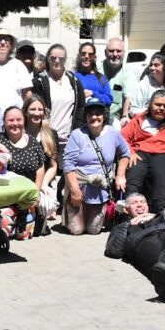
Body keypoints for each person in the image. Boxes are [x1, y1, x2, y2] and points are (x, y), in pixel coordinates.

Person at [104, 193, 165, 304]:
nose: (139, 205)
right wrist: (128, 225)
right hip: (142, 238)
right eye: (134, 203)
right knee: (154, 248)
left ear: (147, 206)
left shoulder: (162, 217)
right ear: (126, 209)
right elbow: (113, 251)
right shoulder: (122, 225)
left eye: (142, 202)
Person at [62, 98, 130, 236]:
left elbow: (125, 153)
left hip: (101, 188)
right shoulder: (77, 134)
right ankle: (73, 208)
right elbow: (68, 163)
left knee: (94, 231)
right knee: (77, 230)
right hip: (80, 185)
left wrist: (120, 175)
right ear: (85, 116)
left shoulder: (113, 133)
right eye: (90, 114)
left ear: (104, 116)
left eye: (98, 113)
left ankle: (94, 211)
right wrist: (74, 189)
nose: (94, 117)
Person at [0, 106, 52, 225]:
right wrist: (0, 147)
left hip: (27, 196)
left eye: (18, 120)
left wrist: (35, 192)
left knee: (23, 234)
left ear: (24, 121)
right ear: (4, 122)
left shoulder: (32, 142)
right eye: (11, 120)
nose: (15, 123)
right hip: (6, 197)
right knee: (5, 226)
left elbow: (40, 167)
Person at [31, 44, 84, 148]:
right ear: (47, 59)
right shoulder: (39, 81)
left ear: (65, 60)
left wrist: (76, 132)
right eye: (53, 58)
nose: (57, 61)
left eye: (61, 58)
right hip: (46, 139)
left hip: (69, 140)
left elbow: (81, 107)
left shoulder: (73, 80)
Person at [22, 95, 60, 226]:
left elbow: (53, 166)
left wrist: (43, 184)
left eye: (40, 109)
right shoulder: (19, 133)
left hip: (45, 181)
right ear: (26, 111)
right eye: (33, 109)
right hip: (24, 180)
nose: (37, 113)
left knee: (45, 209)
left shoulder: (51, 134)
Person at [122, 52, 165, 122]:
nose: (152, 68)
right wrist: (151, 111)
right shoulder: (143, 85)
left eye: (156, 65)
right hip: (146, 123)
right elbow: (133, 110)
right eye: (151, 65)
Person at [73, 42, 113, 108]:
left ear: (94, 57)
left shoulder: (102, 78)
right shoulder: (73, 77)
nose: (86, 56)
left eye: (90, 54)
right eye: (83, 53)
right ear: (79, 56)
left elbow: (109, 100)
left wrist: (93, 93)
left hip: (98, 117)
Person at [102, 37, 133, 121]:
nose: (115, 54)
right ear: (105, 52)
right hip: (96, 116)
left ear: (124, 53)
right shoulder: (96, 68)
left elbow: (129, 96)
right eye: (111, 51)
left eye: (119, 51)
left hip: (116, 120)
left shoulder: (127, 71)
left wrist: (125, 115)